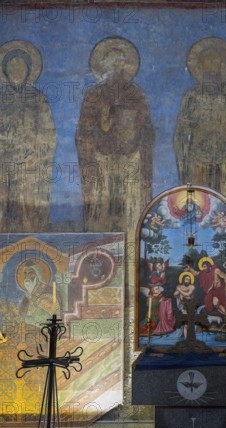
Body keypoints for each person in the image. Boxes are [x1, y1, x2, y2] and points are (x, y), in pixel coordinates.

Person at [76, 37, 154, 232]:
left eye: (121, 62)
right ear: (104, 66)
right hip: (102, 159)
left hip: (130, 158)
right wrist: (101, 133)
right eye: (113, 62)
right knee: (102, 208)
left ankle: (132, 241)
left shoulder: (136, 93)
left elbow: (146, 126)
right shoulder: (94, 94)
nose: (117, 67)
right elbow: (84, 129)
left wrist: (136, 140)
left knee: (129, 211)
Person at [174, 37, 226, 220]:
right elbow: (181, 132)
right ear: (200, 67)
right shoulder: (192, 97)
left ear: (222, 66)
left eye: (215, 61)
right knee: (199, 209)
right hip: (198, 159)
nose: (211, 67)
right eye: (206, 62)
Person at [0, 40, 57, 232]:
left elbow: (49, 134)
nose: (16, 70)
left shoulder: (38, 99)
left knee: (27, 209)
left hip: (30, 165)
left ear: (28, 70)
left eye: (21, 66)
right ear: (5, 71)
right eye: (12, 66)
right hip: (2, 163)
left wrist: (33, 150)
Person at [185, 256, 226, 321]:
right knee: (215, 303)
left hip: (220, 290)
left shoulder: (216, 270)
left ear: (208, 265)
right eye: (203, 267)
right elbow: (196, 273)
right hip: (212, 292)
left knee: (224, 304)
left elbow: (225, 277)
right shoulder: (204, 272)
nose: (204, 268)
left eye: (205, 266)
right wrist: (189, 269)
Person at [173, 271, 195, 339]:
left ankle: (188, 338)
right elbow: (175, 295)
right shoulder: (180, 286)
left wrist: (179, 290)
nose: (187, 280)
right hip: (183, 307)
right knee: (185, 323)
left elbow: (188, 295)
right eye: (186, 279)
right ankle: (186, 339)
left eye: (189, 279)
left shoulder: (192, 286)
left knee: (188, 323)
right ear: (183, 279)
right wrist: (182, 293)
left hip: (190, 306)